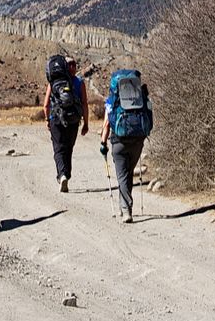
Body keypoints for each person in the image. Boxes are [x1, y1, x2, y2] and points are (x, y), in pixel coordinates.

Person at [100, 67, 152, 223]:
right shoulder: (141, 99)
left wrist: (103, 143)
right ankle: (126, 207)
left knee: (122, 176)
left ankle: (126, 210)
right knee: (128, 174)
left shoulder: (112, 101)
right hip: (138, 141)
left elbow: (107, 124)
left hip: (119, 142)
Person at [43, 54, 90, 192]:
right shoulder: (79, 83)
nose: (73, 67)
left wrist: (47, 120)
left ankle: (62, 175)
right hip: (73, 120)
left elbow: (46, 105)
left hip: (56, 120)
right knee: (69, 148)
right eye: (72, 64)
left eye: (73, 64)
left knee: (59, 149)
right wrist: (86, 123)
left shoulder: (53, 82)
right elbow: (84, 104)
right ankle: (66, 175)